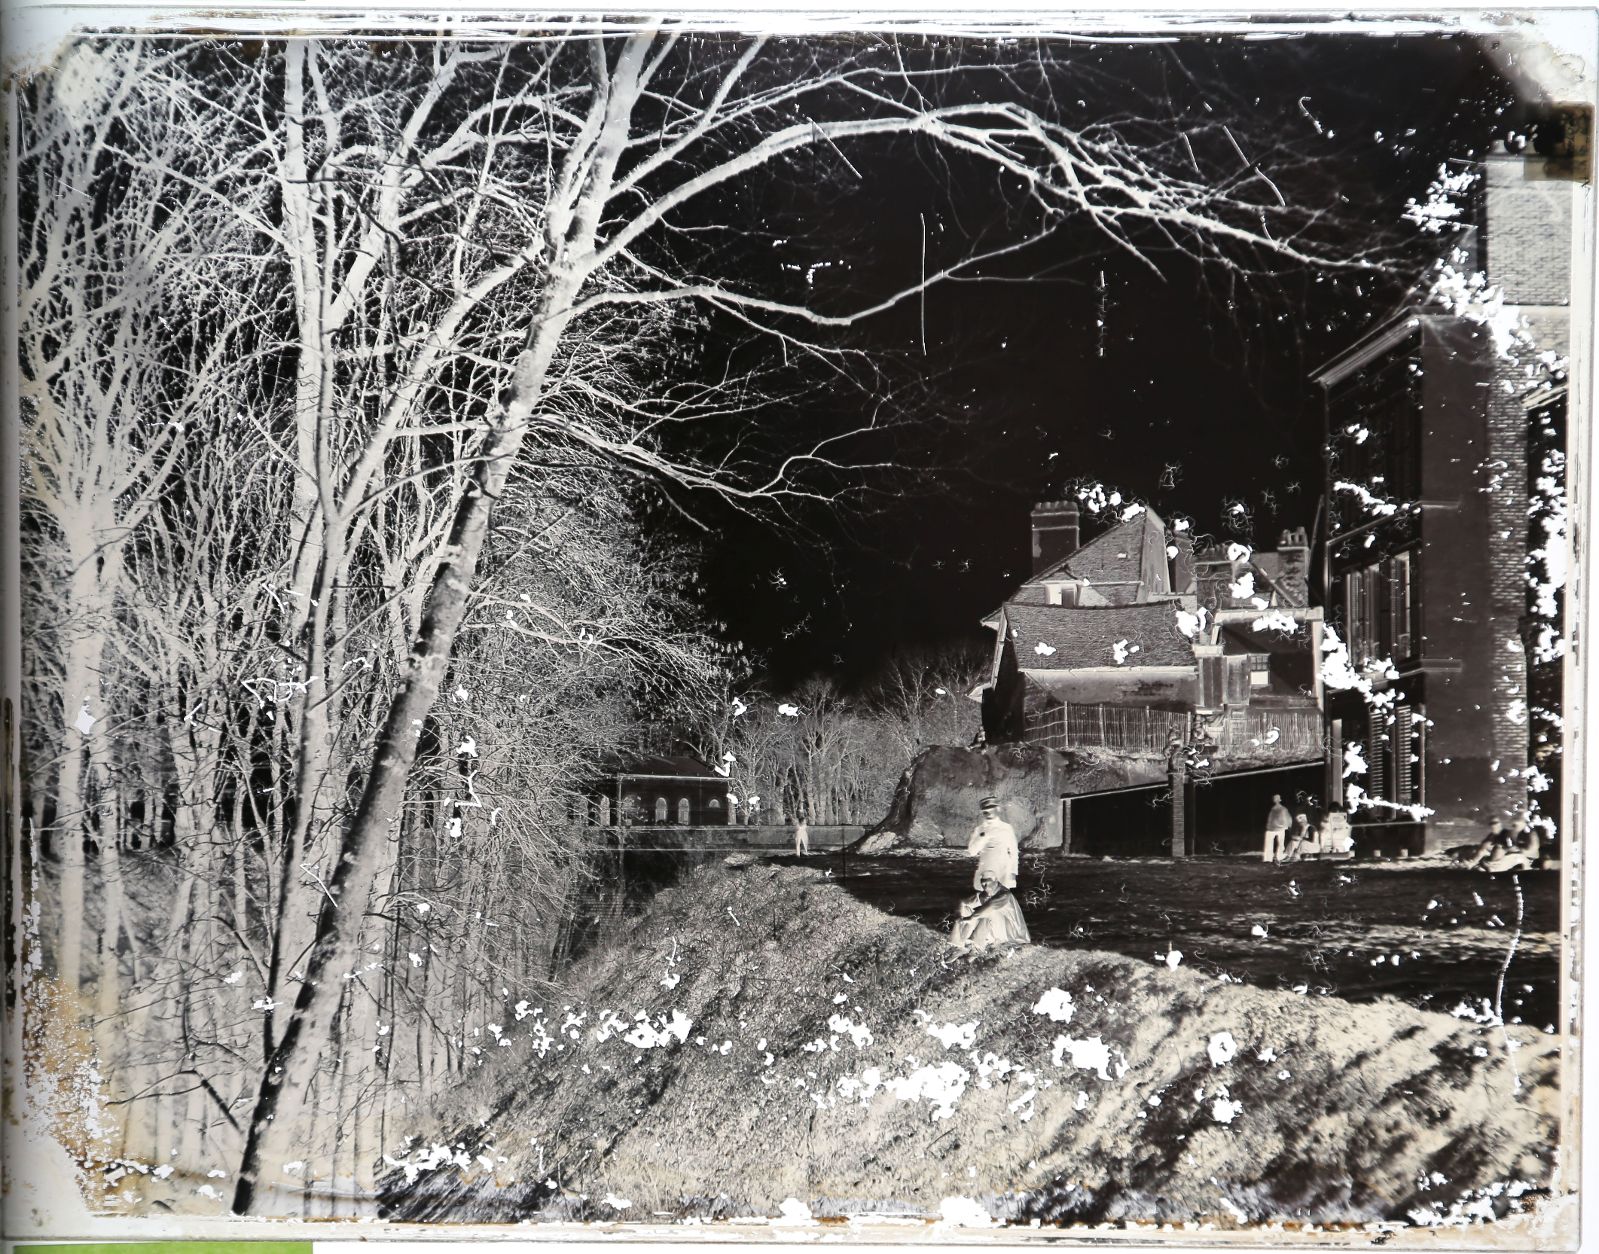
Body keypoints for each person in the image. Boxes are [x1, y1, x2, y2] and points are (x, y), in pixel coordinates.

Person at [950, 874, 1031, 949]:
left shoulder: (1005, 894)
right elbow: (963, 902)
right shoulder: (986, 894)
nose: (984, 887)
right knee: (968, 910)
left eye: (987, 883)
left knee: (988, 913)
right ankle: (959, 944)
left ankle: (976, 946)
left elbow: (990, 906)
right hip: (993, 928)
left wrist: (971, 918)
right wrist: (959, 915)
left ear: (995, 880)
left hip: (1010, 932)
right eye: (982, 884)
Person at [967, 795, 1019, 890]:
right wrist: (983, 836)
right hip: (985, 872)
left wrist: (1013, 872)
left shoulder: (1006, 828)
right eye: (985, 810)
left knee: (1002, 901)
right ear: (982, 812)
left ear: (997, 809)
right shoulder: (979, 830)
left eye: (991, 809)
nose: (988, 812)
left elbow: (1014, 852)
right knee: (985, 902)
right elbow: (972, 851)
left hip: (1003, 871)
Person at [1263, 794, 1292, 863]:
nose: (1275, 799)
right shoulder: (1272, 809)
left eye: (1277, 798)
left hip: (1280, 828)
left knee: (1281, 844)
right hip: (1271, 829)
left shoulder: (1283, 809)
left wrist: (1287, 825)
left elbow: (1287, 818)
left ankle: (1279, 856)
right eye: (1274, 798)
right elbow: (1270, 819)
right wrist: (1268, 826)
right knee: (1269, 843)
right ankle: (1268, 858)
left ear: (1279, 800)